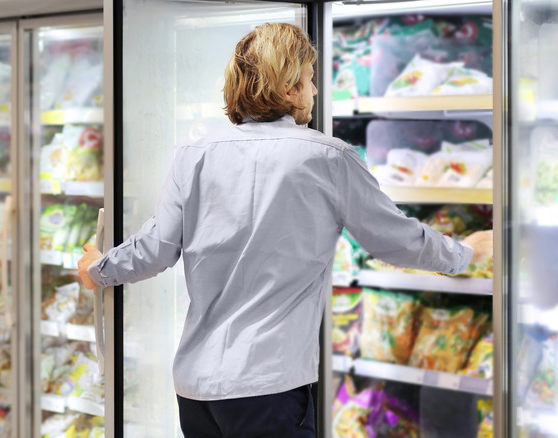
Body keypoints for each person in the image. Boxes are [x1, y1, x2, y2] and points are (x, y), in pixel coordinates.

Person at [78, 22, 492, 438]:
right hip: (268, 387)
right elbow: (395, 239)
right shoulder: (328, 157)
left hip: (195, 390)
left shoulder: (193, 156)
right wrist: (465, 252)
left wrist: (100, 268)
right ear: (290, 89)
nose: (315, 91)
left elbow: (155, 248)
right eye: (311, 80)